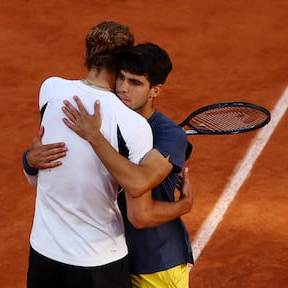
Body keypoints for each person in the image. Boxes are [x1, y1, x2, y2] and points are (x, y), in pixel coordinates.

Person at [24, 43, 194, 287]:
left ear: (155, 90)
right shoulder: (104, 117)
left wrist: (184, 206)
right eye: (121, 78)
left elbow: (140, 214)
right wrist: (30, 160)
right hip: (115, 260)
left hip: (154, 264)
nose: (123, 89)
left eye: (135, 83)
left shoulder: (169, 136)